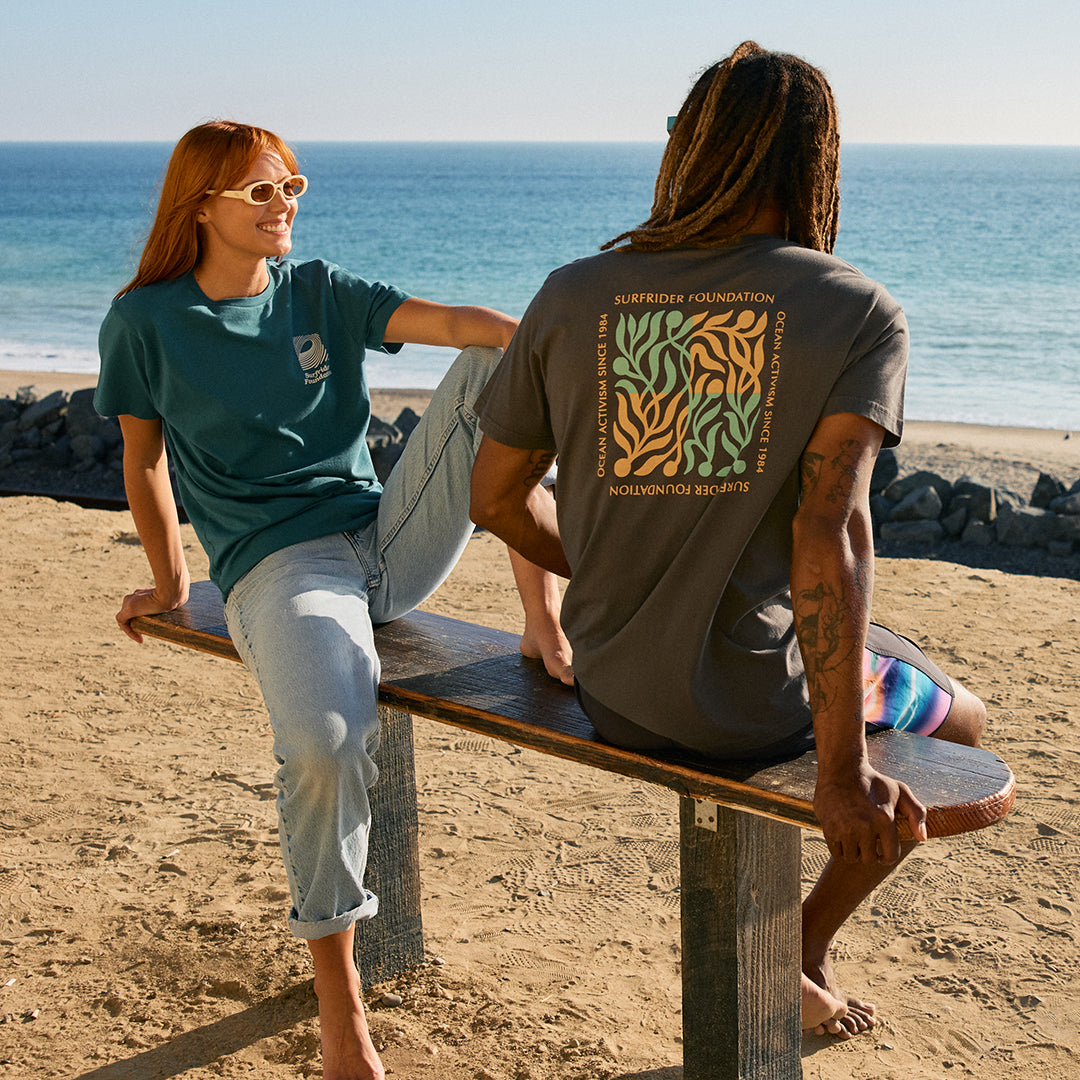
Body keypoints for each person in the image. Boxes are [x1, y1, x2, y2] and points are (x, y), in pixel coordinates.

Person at [469, 42, 987, 1040]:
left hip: (618, 693)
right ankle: (798, 944)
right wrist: (840, 774)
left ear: (692, 149)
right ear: (818, 160)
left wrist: (627, 570)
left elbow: (494, 499)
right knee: (960, 719)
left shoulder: (572, 293)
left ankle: (795, 946)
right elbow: (829, 534)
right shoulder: (855, 309)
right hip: (753, 710)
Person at [95, 120, 572, 1080]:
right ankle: (339, 996)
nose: (284, 204)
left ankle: (543, 617)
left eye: (292, 185)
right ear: (202, 207)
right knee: (323, 746)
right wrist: (174, 581)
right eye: (260, 190)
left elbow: (459, 327)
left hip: (387, 536)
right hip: (282, 565)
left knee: (501, 363)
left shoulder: (319, 288)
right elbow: (143, 460)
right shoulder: (146, 322)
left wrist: (560, 348)